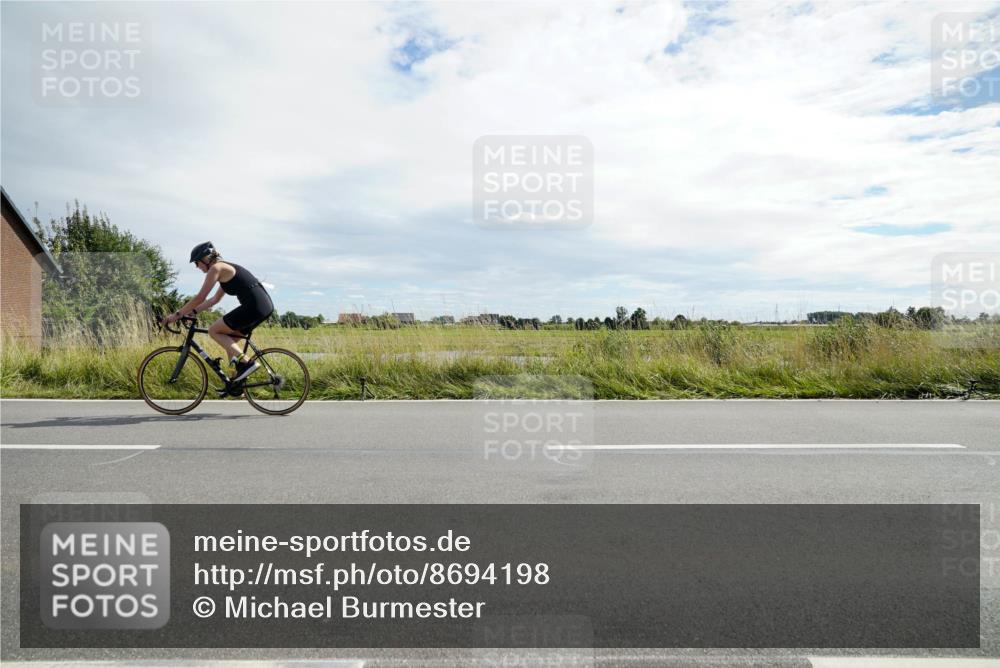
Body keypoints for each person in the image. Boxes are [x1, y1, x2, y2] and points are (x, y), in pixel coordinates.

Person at [162, 242, 274, 382]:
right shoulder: (224, 270)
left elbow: (200, 297)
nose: (197, 267)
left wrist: (176, 315)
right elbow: (214, 299)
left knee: (213, 330)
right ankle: (236, 382)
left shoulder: (216, 268)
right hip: (263, 307)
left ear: (205, 259)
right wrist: (193, 312)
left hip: (254, 307)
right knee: (230, 342)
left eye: (197, 263)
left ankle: (248, 362)